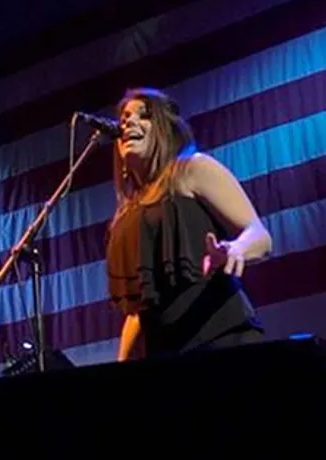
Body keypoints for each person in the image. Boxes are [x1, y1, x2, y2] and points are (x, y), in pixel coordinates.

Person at [105, 87, 272, 360]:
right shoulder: (127, 213)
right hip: (166, 354)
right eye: (124, 119)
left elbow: (259, 235)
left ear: (164, 129)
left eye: (143, 116)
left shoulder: (192, 169)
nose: (128, 123)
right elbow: (140, 308)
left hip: (221, 338)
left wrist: (235, 250)